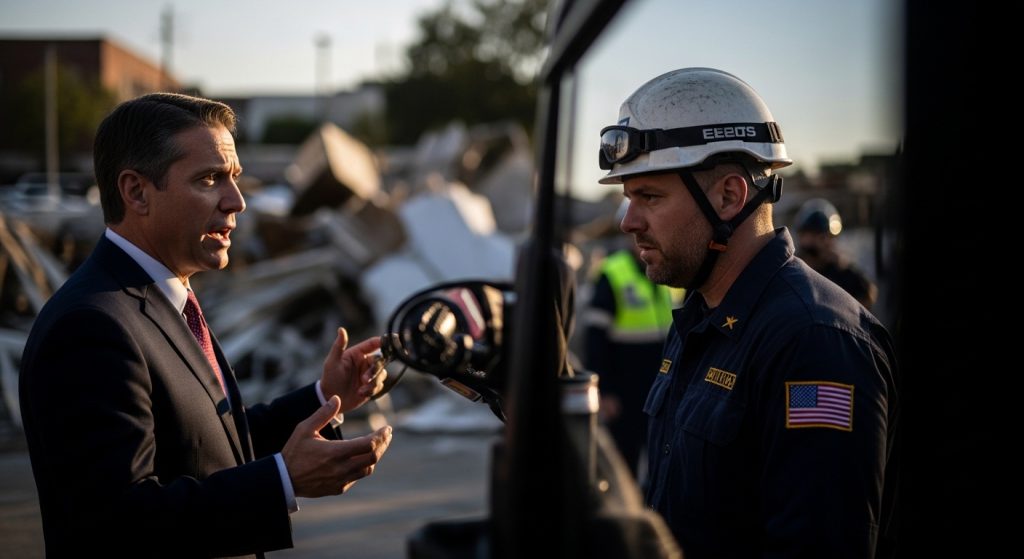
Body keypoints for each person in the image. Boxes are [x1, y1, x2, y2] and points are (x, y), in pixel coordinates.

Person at [19, 92, 393, 558]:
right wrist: (282, 481)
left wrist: (326, 397)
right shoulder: (90, 326)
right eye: (210, 179)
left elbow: (209, 442)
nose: (236, 201)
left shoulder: (164, 294)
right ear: (136, 192)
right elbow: (114, 524)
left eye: (233, 177)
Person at [598, 68, 899, 557]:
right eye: (628, 198)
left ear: (730, 196)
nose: (629, 222)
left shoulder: (816, 342)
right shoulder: (699, 317)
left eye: (649, 196)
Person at [582, 200, 680, 477]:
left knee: (660, 459)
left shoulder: (665, 269)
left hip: (660, 384)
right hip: (625, 389)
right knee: (623, 462)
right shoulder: (612, 272)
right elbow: (595, 338)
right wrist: (605, 390)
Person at [794, 197, 878, 310]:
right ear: (801, 235)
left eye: (828, 237)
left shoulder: (842, 272)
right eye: (817, 235)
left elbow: (868, 294)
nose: (824, 242)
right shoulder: (793, 271)